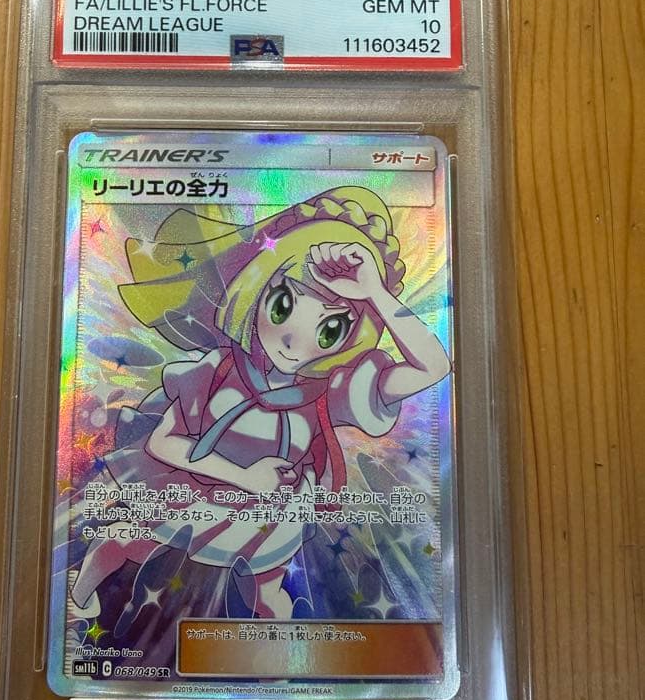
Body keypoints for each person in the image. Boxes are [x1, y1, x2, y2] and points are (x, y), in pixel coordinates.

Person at [69, 186, 450, 630]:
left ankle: (281, 658)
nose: (293, 341)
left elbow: (434, 366)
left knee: (268, 596)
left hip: (267, 515)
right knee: (122, 541)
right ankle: (76, 603)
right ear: (258, 289)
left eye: (329, 329)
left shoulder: (331, 392)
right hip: (197, 491)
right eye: (283, 305)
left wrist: (375, 292)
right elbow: (163, 443)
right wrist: (245, 476)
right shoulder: (218, 370)